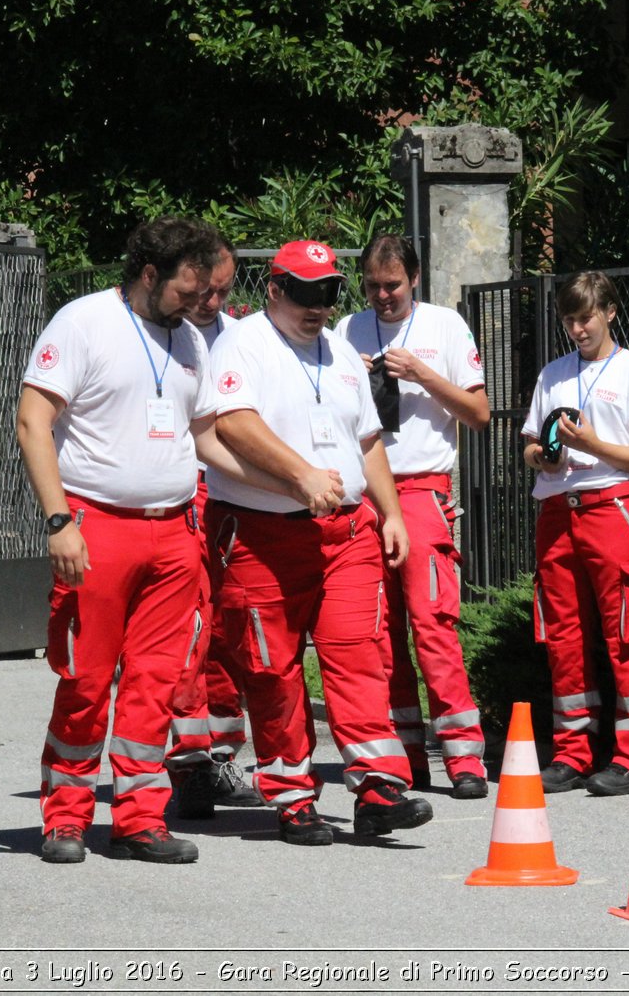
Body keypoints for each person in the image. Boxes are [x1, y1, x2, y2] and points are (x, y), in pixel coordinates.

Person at [18, 217, 310, 866]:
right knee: (87, 681)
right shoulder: (83, 322)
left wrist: (280, 482)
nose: (202, 302)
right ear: (150, 274)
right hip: (97, 528)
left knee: (155, 683)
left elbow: (205, 439)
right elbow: (32, 420)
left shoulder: (191, 345)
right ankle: (65, 818)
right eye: (191, 288)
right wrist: (59, 519)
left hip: (174, 533)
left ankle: (139, 819)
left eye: (209, 290)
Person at [207, 239, 433, 845]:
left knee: (359, 650)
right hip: (262, 534)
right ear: (274, 289)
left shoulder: (339, 352)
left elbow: (366, 439)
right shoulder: (242, 343)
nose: (318, 306)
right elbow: (233, 422)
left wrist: (390, 512)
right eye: (305, 293)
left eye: (329, 293)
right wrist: (300, 475)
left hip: (347, 531)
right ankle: (292, 794)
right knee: (272, 668)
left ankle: (379, 787)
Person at [335, 234, 491, 799]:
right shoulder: (346, 330)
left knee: (433, 623)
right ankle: (402, 757)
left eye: (393, 285)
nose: (382, 296)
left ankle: (464, 758)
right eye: (373, 286)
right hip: (363, 493)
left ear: (415, 279)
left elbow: (478, 413)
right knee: (379, 632)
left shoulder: (445, 326)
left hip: (423, 489)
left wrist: (422, 374)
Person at [520, 271, 629, 797]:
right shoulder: (553, 375)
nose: (577, 328)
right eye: (569, 319)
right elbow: (529, 447)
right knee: (562, 635)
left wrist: (593, 445)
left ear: (610, 312)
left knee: (627, 632)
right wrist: (544, 454)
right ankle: (572, 751)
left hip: (613, 509)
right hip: (558, 511)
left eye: (585, 317)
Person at [166, 236, 264, 815]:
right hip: (184, 491)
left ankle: (222, 757)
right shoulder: (162, 330)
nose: (214, 300)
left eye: (224, 290)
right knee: (186, 633)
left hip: (234, 495)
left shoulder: (240, 336)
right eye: (206, 289)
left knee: (228, 629)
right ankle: (189, 763)